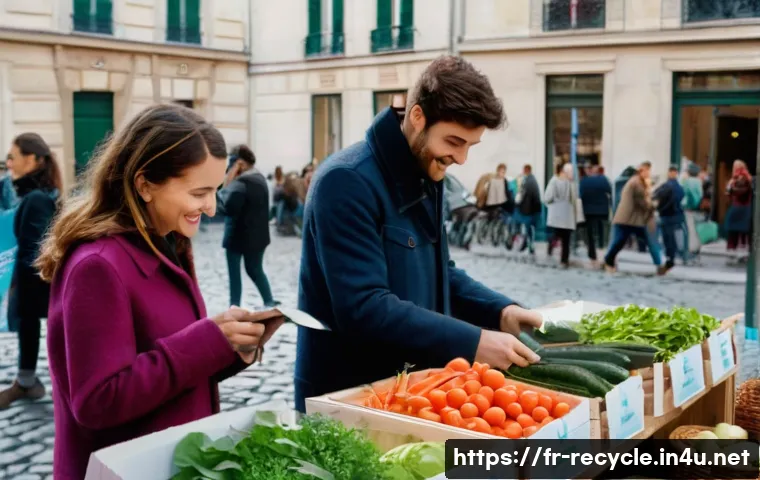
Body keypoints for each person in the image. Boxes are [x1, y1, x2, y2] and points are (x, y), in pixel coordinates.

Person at [35, 104, 283, 478]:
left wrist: (231, 348)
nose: (212, 207)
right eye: (199, 192)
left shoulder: (167, 242)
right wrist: (208, 340)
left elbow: (167, 365)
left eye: (216, 190)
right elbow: (98, 400)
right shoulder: (97, 265)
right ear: (145, 184)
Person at [294, 55, 543, 412]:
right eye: (454, 141)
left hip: (411, 391)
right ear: (417, 117)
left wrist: (500, 311)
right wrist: (473, 340)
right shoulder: (346, 181)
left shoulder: (424, 169)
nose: (461, 158)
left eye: (470, 146)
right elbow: (363, 306)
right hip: (350, 396)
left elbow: (442, 272)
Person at [0, 133, 61, 409]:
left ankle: (37, 384)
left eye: (13, 157)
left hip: (34, 281)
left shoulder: (36, 198)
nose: (9, 163)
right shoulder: (33, 194)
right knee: (29, 324)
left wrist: (15, 281)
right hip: (30, 281)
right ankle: (26, 383)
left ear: (33, 159)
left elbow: (36, 248)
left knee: (44, 325)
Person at [218, 145, 279, 308]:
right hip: (258, 238)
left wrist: (227, 181)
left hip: (236, 237)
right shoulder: (260, 179)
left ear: (241, 163)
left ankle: (234, 305)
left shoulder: (240, 183)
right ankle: (269, 300)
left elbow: (226, 205)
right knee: (255, 269)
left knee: (235, 274)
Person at [604, 161, 667, 275]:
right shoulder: (637, 183)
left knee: (619, 242)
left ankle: (609, 261)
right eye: (647, 171)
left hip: (630, 219)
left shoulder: (636, 182)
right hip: (631, 220)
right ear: (641, 171)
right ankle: (659, 265)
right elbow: (643, 203)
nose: (648, 174)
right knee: (648, 241)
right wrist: (655, 204)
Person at [544, 163, 577, 268]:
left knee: (558, 235)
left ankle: (554, 252)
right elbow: (574, 199)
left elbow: (547, 198)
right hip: (567, 215)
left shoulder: (553, 181)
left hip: (558, 215)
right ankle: (564, 260)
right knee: (565, 238)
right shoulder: (570, 183)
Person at [653, 165, 685, 271]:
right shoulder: (679, 187)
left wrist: (659, 208)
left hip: (667, 215)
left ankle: (670, 258)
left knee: (668, 238)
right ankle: (673, 256)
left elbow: (655, 195)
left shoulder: (666, 186)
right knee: (673, 237)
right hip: (676, 215)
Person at [579, 164, 612, 263]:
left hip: (588, 211)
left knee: (590, 234)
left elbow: (581, 195)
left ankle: (592, 254)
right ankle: (602, 249)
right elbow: (610, 192)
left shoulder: (584, 181)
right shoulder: (603, 180)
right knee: (603, 232)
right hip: (602, 211)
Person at [725, 159, 753, 251]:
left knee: (739, 229)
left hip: (741, 207)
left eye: (735, 166)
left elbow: (741, 191)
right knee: (736, 229)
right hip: (739, 207)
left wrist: (731, 189)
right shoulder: (737, 178)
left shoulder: (743, 177)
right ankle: (735, 248)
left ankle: (738, 249)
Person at [514, 164, 542, 254]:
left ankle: (529, 246)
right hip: (532, 209)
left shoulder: (528, 181)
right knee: (528, 229)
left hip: (528, 210)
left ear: (526, 170)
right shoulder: (533, 180)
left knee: (528, 228)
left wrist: (518, 203)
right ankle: (527, 245)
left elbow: (523, 195)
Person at [681, 161, 703, 258]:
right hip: (698, 208)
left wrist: (687, 205)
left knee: (690, 229)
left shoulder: (687, 181)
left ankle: (691, 248)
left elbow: (686, 195)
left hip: (689, 208)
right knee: (696, 228)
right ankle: (697, 246)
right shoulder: (699, 181)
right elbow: (700, 195)